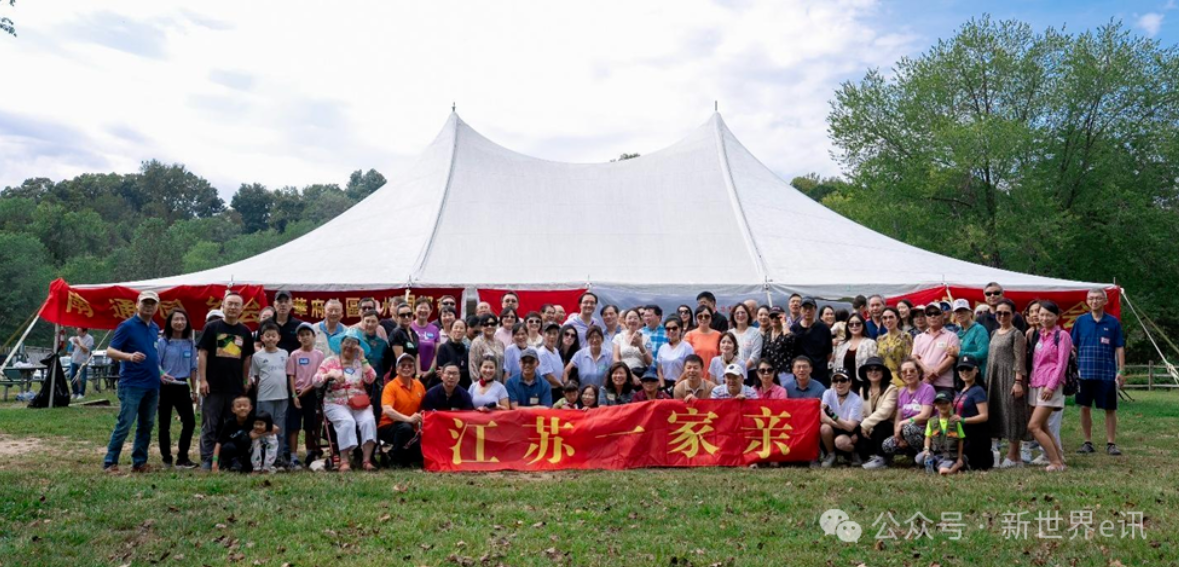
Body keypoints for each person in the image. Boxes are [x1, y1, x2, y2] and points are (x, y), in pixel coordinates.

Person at [103, 291, 162, 473]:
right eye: (145, 303)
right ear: (137, 304)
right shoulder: (127, 326)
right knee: (125, 423)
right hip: (132, 383)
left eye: (152, 303)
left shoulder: (155, 328)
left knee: (147, 424)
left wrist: (162, 374)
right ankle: (110, 462)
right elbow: (110, 351)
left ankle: (140, 461)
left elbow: (154, 356)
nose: (149, 306)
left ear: (157, 307)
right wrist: (129, 356)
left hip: (152, 384)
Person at [197, 292, 256, 471]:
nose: (233, 307)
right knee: (210, 424)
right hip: (213, 386)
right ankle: (207, 458)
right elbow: (202, 353)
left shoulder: (245, 331)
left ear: (242, 309)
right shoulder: (211, 327)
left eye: (237, 304)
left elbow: (247, 358)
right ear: (223, 306)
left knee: (232, 425)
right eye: (229, 304)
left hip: (234, 387)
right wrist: (203, 380)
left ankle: (230, 458)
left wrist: (245, 380)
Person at [315, 329, 379, 472]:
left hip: (359, 402)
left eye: (354, 343)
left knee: (368, 421)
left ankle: (366, 460)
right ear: (341, 343)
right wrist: (329, 374)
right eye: (347, 342)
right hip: (336, 402)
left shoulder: (359, 362)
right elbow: (316, 381)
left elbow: (371, 379)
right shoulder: (330, 361)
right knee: (347, 421)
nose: (349, 346)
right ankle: (344, 460)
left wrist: (363, 358)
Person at [1073, 288, 1126, 456]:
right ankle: (1087, 442)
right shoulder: (1080, 321)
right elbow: (1073, 346)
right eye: (1091, 298)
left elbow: (1119, 347)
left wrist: (1121, 370)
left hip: (1107, 373)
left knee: (1110, 408)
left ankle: (1111, 443)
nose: (1094, 301)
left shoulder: (1113, 322)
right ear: (1087, 301)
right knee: (1084, 407)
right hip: (1084, 372)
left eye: (1097, 298)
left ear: (1105, 301)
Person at [985, 299, 1030, 469]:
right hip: (994, 378)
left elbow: (1020, 360)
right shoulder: (994, 333)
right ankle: (1013, 456)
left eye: (1006, 313)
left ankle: (1013, 455)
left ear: (1013, 314)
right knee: (998, 414)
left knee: (1012, 415)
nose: (1002, 316)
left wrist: (1018, 382)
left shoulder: (1016, 334)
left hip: (1010, 378)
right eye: (999, 313)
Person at [1028, 301, 1071, 472]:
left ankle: (1055, 462)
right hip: (1035, 384)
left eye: (1048, 315)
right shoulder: (1039, 335)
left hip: (1050, 385)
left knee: (1034, 426)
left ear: (1057, 316)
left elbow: (1062, 364)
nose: (1044, 318)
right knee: (1043, 426)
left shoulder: (1062, 336)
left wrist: (1051, 386)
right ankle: (1058, 459)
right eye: (1041, 314)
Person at [155, 309, 198, 469]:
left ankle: (183, 457)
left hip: (182, 386)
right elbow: (156, 363)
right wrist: (162, 375)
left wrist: (194, 389)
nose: (179, 322)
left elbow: (193, 368)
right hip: (165, 386)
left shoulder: (190, 343)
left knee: (190, 422)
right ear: (170, 322)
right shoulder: (162, 342)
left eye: (182, 319)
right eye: (176, 319)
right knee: (164, 424)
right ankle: (166, 457)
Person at [249, 320, 290, 467]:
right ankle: (261, 457)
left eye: (273, 335)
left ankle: (278, 458)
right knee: (263, 428)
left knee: (280, 429)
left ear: (279, 337)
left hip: (282, 396)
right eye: (268, 335)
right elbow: (256, 378)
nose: (271, 338)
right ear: (262, 338)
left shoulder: (284, 353)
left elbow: (287, 374)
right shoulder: (257, 356)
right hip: (264, 397)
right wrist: (258, 394)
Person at [879, 358, 935, 466]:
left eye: (912, 370)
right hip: (906, 431)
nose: (908, 374)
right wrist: (897, 435)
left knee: (908, 428)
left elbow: (925, 415)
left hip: (925, 433)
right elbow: (898, 417)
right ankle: (911, 455)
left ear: (919, 372)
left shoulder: (928, 389)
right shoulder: (901, 392)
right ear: (900, 375)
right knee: (887, 444)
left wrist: (902, 423)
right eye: (904, 372)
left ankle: (923, 455)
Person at [285, 322, 325, 468]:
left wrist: (308, 389)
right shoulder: (294, 354)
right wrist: (294, 396)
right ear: (298, 338)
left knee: (310, 426)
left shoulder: (319, 355)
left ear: (314, 336)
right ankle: (293, 456)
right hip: (296, 394)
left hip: (312, 393)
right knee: (294, 426)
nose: (305, 337)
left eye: (308, 334)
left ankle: (310, 454)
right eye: (302, 335)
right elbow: (291, 375)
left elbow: (320, 376)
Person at [378, 353, 426, 468]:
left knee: (419, 456)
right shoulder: (390, 386)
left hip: (411, 427)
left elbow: (424, 407)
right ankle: (395, 459)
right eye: (403, 365)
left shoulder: (419, 385)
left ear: (414, 369)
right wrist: (408, 419)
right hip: (388, 426)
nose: (407, 368)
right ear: (397, 369)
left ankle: (393, 455)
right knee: (405, 428)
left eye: (410, 365)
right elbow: (387, 410)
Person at [857, 357, 898, 470]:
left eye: (877, 369)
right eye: (870, 369)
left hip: (887, 427)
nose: (873, 372)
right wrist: (866, 426)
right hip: (870, 427)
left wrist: (866, 424)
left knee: (881, 423)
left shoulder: (891, 389)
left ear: (883, 372)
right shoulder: (863, 389)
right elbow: (862, 411)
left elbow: (885, 412)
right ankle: (864, 456)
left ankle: (881, 458)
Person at [911, 303, 960, 395]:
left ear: (942, 315)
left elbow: (951, 359)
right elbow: (914, 357)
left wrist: (932, 375)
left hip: (944, 384)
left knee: (943, 404)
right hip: (923, 382)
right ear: (926, 317)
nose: (933, 316)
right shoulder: (919, 337)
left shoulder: (952, 336)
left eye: (936, 313)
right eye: (929, 314)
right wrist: (926, 370)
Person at [953, 355, 992, 470]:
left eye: (968, 369)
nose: (965, 372)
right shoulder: (960, 390)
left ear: (976, 370)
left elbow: (984, 416)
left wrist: (963, 420)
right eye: (961, 369)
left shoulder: (978, 390)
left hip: (974, 436)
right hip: (961, 434)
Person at [820, 370, 863, 467]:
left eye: (843, 380)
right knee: (824, 428)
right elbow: (822, 416)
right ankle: (831, 455)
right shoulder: (828, 393)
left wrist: (833, 416)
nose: (839, 383)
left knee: (840, 442)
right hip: (837, 426)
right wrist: (838, 424)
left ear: (850, 382)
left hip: (851, 432)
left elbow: (850, 427)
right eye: (835, 380)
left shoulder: (856, 400)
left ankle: (854, 453)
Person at [790, 297, 833, 387]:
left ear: (815, 309)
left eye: (810, 308)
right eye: (805, 308)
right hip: (800, 375)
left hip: (820, 375)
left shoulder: (824, 329)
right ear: (800, 309)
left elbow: (829, 354)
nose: (808, 311)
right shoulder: (794, 329)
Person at [920, 392, 966, 475]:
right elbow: (928, 437)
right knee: (919, 458)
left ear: (952, 405)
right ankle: (934, 464)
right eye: (939, 403)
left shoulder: (956, 422)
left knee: (943, 471)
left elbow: (960, 440)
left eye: (946, 403)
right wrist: (926, 449)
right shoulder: (931, 421)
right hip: (935, 453)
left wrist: (959, 458)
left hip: (949, 455)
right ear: (935, 406)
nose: (943, 405)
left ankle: (957, 465)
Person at [211, 396, 260, 473]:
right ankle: (228, 464)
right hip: (231, 450)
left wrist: (258, 435)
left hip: (247, 452)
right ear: (233, 409)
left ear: (250, 408)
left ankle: (244, 464)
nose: (242, 408)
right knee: (228, 446)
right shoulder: (229, 423)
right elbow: (218, 443)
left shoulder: (254, 421)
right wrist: (214, 463)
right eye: (238, 406)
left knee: (245, 437)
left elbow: (274, 429)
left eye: (245, 405)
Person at [833, 314, 878, 390]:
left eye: (858, 324)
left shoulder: (870, 343)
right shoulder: (841, 344)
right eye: (851, 324)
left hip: (865, 385)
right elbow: (836, 367)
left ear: (863, 325)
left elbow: (874, 366)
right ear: (847, 326)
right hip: (844, 386)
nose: (854, 326)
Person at [950, 299, 990, 378]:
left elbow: (983, 353)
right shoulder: (958, 333)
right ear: (954, 314)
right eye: (957, 311)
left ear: (970, 312)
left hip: (977, 376)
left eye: (963, 310)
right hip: (963, 376)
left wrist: (960, 354)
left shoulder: (979, 329)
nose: (960, 314)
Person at [875, 307, 911, 387]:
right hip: (884, 379)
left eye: (891, 317)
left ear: (897, 319)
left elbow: (909, 359)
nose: (888, 320)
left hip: (901, 378)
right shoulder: (880, 339)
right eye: (885, 318)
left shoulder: (905, 336)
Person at [656, 318, 695, 390]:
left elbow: (688, 369)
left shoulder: (687, 347)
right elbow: (659, 370)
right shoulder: (662, 348)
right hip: (664, 385)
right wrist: (663, 387)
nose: (671, 331)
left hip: (681, 385)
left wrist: (674, 386)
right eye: (668, 329)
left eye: (674, 328)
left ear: (680, 329)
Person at [761, 306, 798, 383]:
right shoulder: (767, 335)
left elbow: (788, 339)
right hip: (770, 373)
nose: (774, 319)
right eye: (772, 316)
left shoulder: (788, 333)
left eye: (778, 317)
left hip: (785, 373)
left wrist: (784, 322)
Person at [614, 308, 654, 376]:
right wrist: (629, 374)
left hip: (641, 373)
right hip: (624, 374)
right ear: (625, 320)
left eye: (635, 318)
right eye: (629, 318)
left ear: (640, 320)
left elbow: (649, 362)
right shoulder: (618, 337)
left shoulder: (646, 338)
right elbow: (615, 359)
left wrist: (640, 346)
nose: (632, 320)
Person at [433, 319, 471, 389]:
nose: (458, 330)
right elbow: (442, 370)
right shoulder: (443, 348)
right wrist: (459, 372)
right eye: (456, 327)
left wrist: (450, 372)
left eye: (461, 328)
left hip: (462, 386)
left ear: (465, 332)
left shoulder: (466, 351)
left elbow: (467, 371)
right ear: (451, 330)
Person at [385, 304, 421, 377]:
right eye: (403, 315)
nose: (406, 317)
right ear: (397, 317)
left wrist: (418, 375)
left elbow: (417, 355)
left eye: (409, 314)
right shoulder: (397, 333)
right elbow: (401, 359)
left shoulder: (413, 333)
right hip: (401, 374)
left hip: (412, 374)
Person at [684, 305, 721, 371]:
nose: (703, 318)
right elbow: (686, 358)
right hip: (694, 373)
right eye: (700, 316)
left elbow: (721, 358)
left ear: (711, 318)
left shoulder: (718, 335)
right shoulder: (689, 335)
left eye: (707, 316)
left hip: (713, 374)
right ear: (696, 318)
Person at [468, 314, 504, 381]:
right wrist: (480, 384)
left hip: (498, 383)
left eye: (492, 324)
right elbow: (473, 367)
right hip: (482, 383)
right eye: (486, 324)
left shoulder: (500, 343)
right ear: (481, 327)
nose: (489, 326)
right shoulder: (477, 343)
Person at [410, 298, 441, 377]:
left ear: (430, 311)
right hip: (410, 373)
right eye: (420, 308)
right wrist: (417, 372)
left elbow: (437, 354)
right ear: (414, 310)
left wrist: (430, 371)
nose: (423, 310)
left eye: (426, 308)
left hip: (429, 375)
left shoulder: (435, 329)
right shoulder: (409, 327)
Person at [728, 303, 762, 372]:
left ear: (748, 315)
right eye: (737, 313)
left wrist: (741, 371)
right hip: (731, 372)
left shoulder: (755, 332)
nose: (740, 315)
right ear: (733, 316)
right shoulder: (729, 333)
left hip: (751, 371)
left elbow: (755, 355)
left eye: (743, 312)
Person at [537, 323, 565, 390]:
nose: (552, 336)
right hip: (548, 389)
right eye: (549, 333)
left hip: (557, 388)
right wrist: (563, 386)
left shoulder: (556, 350)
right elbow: (548, 376)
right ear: (543, 334)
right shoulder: (542, 352)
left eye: (555, 333)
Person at [68, 327, 94, 400]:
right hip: (74, 359)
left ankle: (81, 393)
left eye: (79, 332)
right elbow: (73, 349)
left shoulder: (89, 339)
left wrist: (78, 343)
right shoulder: (77, 337)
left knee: (82, 378)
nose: (78, 333)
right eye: (77, 331)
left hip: (83, 361)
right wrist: (73, 344)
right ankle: (75, 392)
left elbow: (86, 350)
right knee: (72, 376)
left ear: (84, 332)